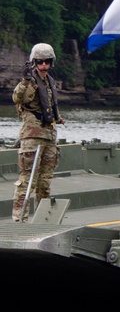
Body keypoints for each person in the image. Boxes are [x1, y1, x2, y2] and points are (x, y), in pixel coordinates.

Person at [12, 43, 66, 221]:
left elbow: (48, 106)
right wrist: (25, 80)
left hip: (49, 135)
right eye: (40, 61)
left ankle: (43, 220)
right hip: (32, 136)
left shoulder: (49, 81)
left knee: (45, 182)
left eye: (47, 61)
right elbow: (18, 98)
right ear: (34, 62)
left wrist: (58, 118)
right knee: (27, 181)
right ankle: (20, 219)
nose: (44, 65)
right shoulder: (30, 81)